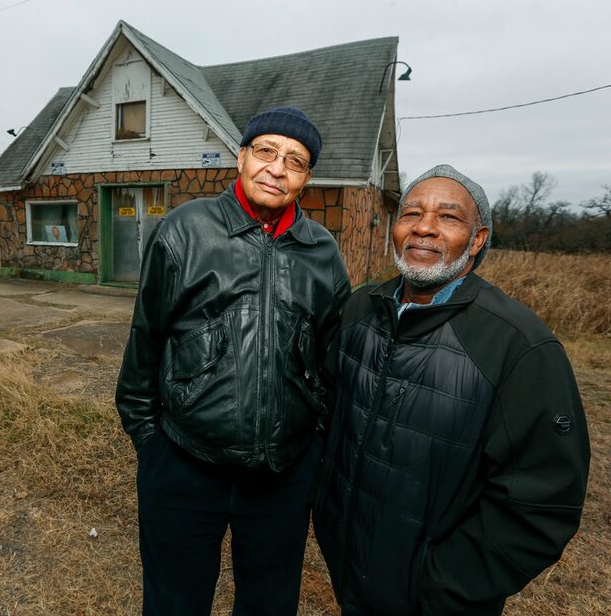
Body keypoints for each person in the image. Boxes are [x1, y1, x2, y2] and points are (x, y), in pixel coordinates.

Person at [313, 164, 591, 616]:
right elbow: (330, 415)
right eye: (412, 213)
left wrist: (444, 583)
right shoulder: (361, 308)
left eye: (448, 217)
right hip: (349, 567)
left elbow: (543, 498)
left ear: (478, 240)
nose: (424, 227)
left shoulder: (517, 343)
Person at [116, 106, 351, 615]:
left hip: (281, 477)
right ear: (241, 158)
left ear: (306, 179)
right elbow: (144, 348)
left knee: (269, 604)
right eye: (266, 151)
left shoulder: (323, 253)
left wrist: (310, 453)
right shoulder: (185, 231)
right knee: (174, 603)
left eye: (296, 160)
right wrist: (153, 447)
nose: (277, 168)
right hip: (183, 464)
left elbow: (332, 364)